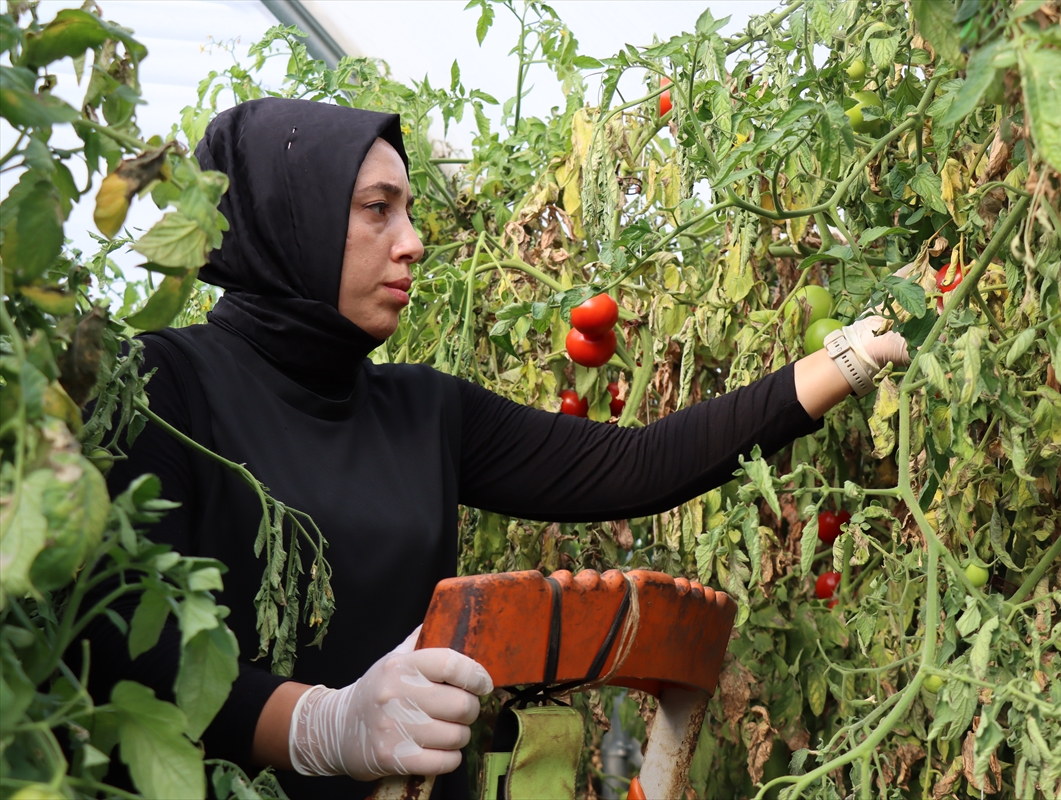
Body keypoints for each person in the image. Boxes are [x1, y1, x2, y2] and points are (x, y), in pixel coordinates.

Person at [84, 97, 909, 799]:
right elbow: (132, 649)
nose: (412, 241)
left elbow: (638, 464)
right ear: (289, 218)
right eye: (377, 209)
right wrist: (320, 725)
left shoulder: (423, 410)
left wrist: (847, 357)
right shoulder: (160, 386)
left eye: (410, 211)